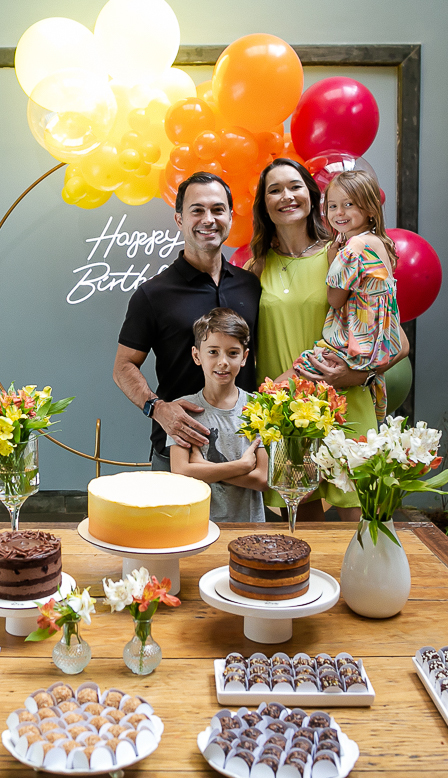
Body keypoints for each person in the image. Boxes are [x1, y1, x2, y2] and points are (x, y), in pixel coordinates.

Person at [245, 158, 410, 523]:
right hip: (290, 417)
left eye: (295, 186)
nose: (286, 196)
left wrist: (353, 377)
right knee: (303, 535)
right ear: (264, 204)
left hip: (346, 404)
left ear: (311, 196)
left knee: (367, 528)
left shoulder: (341, 254)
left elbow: (398, 342)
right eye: (275, 189)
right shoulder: (254, 269)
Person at [113, 173, 262, 471]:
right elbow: (123, 367)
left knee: (248, 522)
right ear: (179, 219)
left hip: (244, 449)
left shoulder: (250, 285)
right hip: (178, 450)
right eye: (197, 210)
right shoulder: (152, 294)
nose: (209, 219)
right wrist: (157, 408)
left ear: (231, 218)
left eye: (218, 210)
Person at [293, 170, 406, 422]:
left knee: (300, 371)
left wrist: (332, 260)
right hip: (382, 342)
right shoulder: (378, 242)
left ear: (369, 209)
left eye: (348, 204)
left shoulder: (353, 248)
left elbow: (335, 299)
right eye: (332, 206)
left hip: (358, 344)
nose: (339, 213)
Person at [166, 308, 268, 523]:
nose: (223, 362)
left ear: (244, 357)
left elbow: (262, 479)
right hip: (197, 524)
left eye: (232, 353)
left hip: (248, 525)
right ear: (197, 355)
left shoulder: (258, 407)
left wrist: (202, 468)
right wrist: (241, 466)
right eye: (213, 352)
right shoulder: (184, 410)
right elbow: (181, 472)